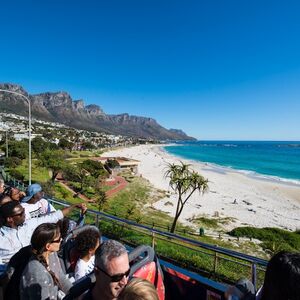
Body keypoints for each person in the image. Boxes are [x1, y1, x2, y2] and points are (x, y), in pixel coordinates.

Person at [0, 201, 86, 264]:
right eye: (21, 213)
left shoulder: (30, 224)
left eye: (24, 210)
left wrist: (74, 206)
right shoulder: (2, 239)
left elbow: (54, 216)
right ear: (9, 219)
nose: (24, 214)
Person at [20, 223, 72, 300]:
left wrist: (74, 293)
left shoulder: (52, 254)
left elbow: (60, 276)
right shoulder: (37, 274)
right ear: (48, 246)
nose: (61, 240)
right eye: (58, 239)